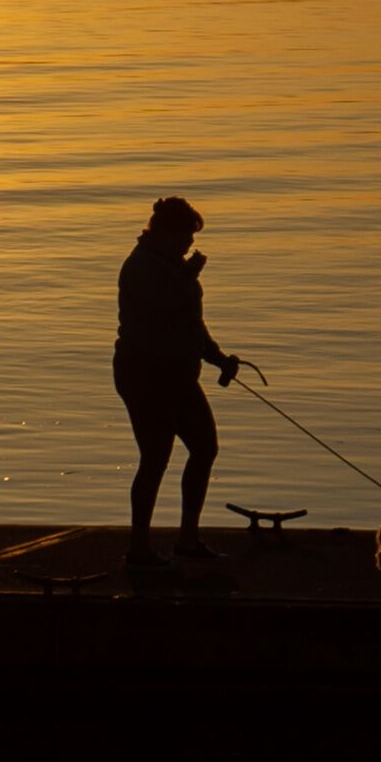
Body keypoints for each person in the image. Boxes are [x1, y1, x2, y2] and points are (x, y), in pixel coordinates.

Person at [115, 195, 241, 572]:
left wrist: (218, 357)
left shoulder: (173, 265)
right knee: (154, 458)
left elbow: (191, 324)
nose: (190, 244)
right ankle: (139, 548)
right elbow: (160, 313)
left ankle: (188, 539)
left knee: (204, 447)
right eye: (186, 235)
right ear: (166, 232)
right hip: (145, 374)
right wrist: (188, 276)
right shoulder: (141, 266)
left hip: (179, 375)